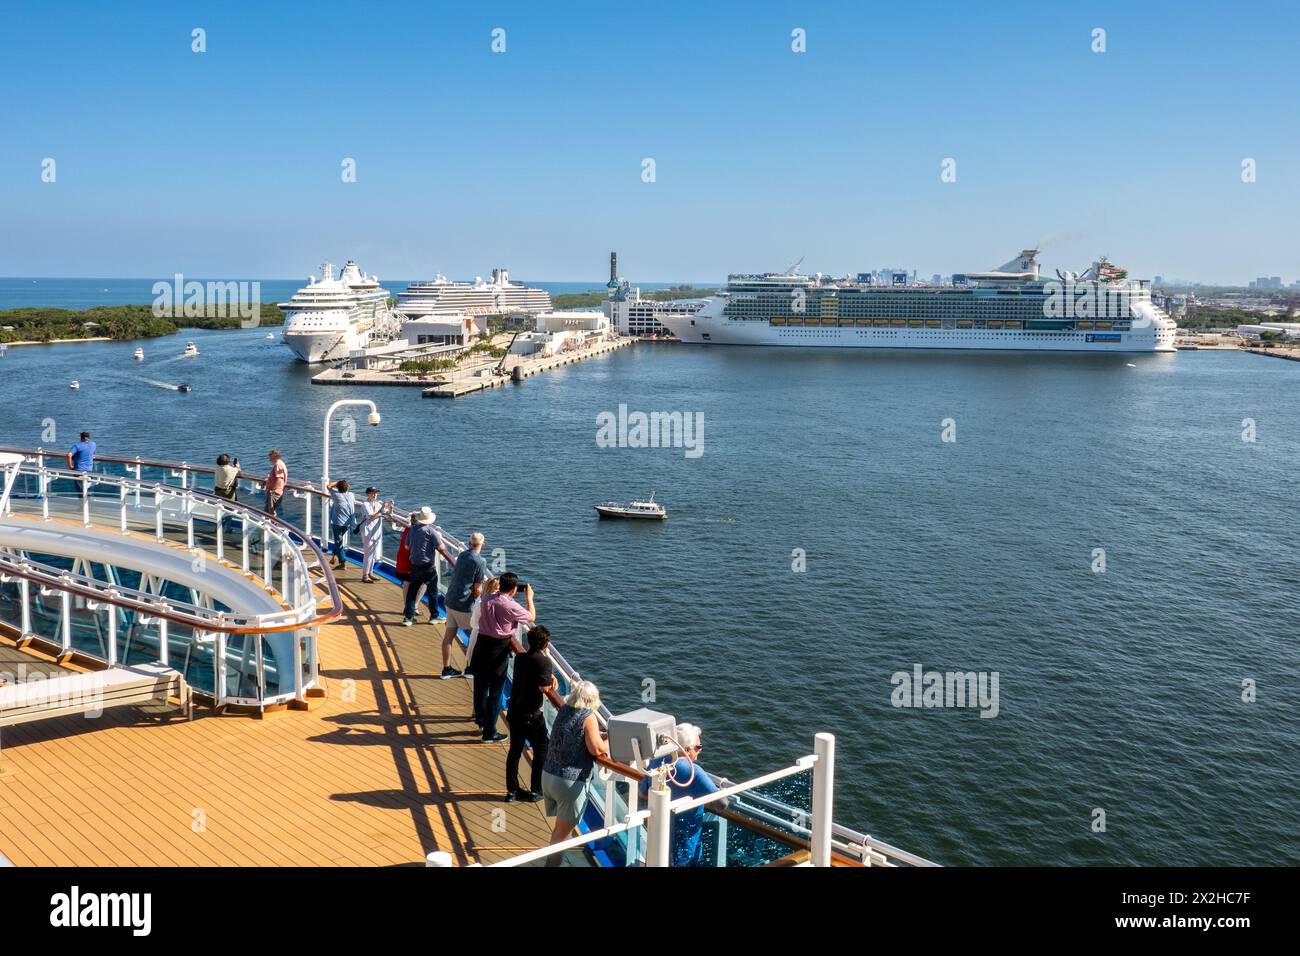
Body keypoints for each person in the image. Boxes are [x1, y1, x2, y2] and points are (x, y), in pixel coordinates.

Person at [540, 681, 608, 864]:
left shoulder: (564, 709)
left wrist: (596, 735)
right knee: (563, 833)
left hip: (548, 775)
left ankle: (553, 863)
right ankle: (551, 866)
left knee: (560, 829)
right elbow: (596, 749)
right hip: (568, 781)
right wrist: (609, 742)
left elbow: (575, 735)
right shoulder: (589, 716)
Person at [640, 723, 724, 867]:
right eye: (698, 747)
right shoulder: (694, 772)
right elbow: (722, 803)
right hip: (684, 846)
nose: (700, 751)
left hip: (657, 837)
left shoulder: (657, 761)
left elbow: (642, 792)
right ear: (686, 750)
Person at [471, 572, 535, 741]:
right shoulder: (510, 606)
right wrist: (530, 598)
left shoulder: (485, 599)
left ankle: (481, 720)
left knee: (480, 686)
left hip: (481, 645)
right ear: (514, 589)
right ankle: (490, 732)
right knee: (496, 692)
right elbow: (531, 617)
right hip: (498, 651)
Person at [504, 624, 554, 803]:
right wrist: (551, 678)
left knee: (515, 751)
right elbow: (545, 687)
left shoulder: (521, 658)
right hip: (532, 716)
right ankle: (536, 790)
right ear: (545, 644)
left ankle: (512, 791)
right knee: (541, 749)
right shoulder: (544, 662)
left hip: (515, 711)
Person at [440, 532, 487, 678]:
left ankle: (446, 669)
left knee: (449, 636)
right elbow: (477, 588)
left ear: (469, 544)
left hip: (450, 600)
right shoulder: (480, 561)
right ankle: (469, 669)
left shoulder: (462, 555)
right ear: (482, 545)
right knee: (474, 636)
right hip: (463, 604)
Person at [401, 506, 455, 626]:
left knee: (412, 592)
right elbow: (441, 548)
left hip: (414, 565)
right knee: (432, 592)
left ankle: (408, 618)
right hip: (428, 567)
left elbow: (407, 547)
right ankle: (434, 616)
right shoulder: (431, 531)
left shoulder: (412, 530)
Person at [465, 576, 498, 725]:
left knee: (479, 681)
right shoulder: (491, 604)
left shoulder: (479, 601)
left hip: (475, 640)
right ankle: (482, 716)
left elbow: (473, 622)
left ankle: (476, 711)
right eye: (498, 589)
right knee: (486, 683)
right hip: (484, 643)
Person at [355, 487, 390, 583]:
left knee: (373, 553)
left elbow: (387, 515)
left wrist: (391, 508)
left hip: (376, 532)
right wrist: (381, 510)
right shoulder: (365, 505)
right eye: (372, 493)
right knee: (368, 554)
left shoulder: (378, 504)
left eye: (375, 493)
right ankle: (365, 575)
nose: (374, 495)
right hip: (368, 531)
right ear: (368, 494)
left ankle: (370, 572)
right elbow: (371, 517)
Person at [326, 479, 355, 570]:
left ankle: (343, 563)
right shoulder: (351, 495)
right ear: (347, 487)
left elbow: (328, 486)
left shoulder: (336, 495)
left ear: (338, 487)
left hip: (337, 523)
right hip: (347, 523)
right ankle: (334, 556)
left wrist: (337, 483)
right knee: (338, 540)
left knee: (338, 542)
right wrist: (340, 484)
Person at [214, 454, 240, 534]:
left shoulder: (218, 468)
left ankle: (217, 527)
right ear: (228, 461)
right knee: (229, 510)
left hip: (218, 491)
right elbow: (238, 471)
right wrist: (237, 466)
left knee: (219, 509)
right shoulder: (230, 469)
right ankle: (228, 528)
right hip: (227, 492)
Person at [68, 431, 95, 496]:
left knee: (80, 489)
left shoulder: (77, 446)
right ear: (89, 437)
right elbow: (92, 453)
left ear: (81, 438)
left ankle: (81, 503)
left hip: (78, 470)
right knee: (87, 487)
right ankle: (87, 502)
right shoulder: (93, 444)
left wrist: (70, 465)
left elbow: (69, 455)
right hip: (89, 469)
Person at [264, 449, 288, 516]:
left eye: (270, 457)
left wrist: (272, 490)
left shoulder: (278, 465)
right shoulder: (279, 464)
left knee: (270, 512)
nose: (269, 459)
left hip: (275, 492)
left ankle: (272, 525)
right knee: (268, 511)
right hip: (275, 492)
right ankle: (269, 524)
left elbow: (279, 479)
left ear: (275, 456)